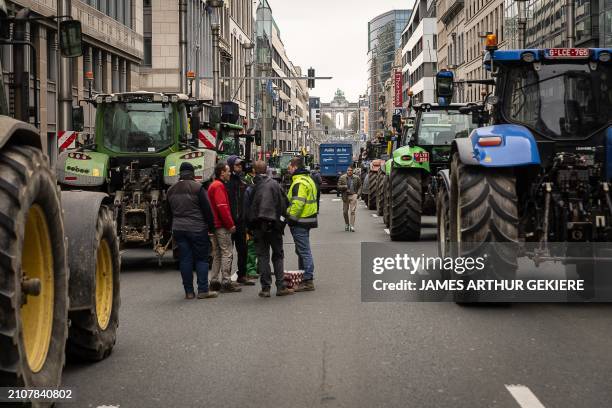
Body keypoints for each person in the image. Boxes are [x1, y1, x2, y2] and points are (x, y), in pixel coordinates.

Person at [167, 162, 218, 299]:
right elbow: (207, 210)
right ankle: (203, 290)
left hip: (178, 229)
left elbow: (168, 212)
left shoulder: (171, 190)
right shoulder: (198, 188)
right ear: (192, 173)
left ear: (180, 173)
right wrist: (211, 227)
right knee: (201, 259)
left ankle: (188, 292)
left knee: (185, 260)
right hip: (197, 228)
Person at [246, 161, 293, 297]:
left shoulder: (251, 187)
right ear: (266, 170)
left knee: (262, 256)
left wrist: (249, 228)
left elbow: (246, 209)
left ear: (254, 171)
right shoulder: (275, 185)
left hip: (257, 227)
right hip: (274, 226)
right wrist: (282, 223)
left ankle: (265, 288)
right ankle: (280, 286)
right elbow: (284, 206)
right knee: (278, 255)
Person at [208, 162, 242, 293]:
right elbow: (222, 207)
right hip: (221, 225)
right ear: (221, 172)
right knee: (227, 252)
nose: (229, 173)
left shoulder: (213, 185)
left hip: (214, 225)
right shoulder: (219, 186)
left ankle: (214, 281)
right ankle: (226, 281)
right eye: (227, 171)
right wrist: (230, 224)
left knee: (217, 253)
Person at [286, 157, 318, 292]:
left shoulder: (299, 183)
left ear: (294, 167)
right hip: (309, 218)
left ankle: (308, 279)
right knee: (301, 250)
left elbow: (298, 203)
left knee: (304, 251)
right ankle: (303, 276)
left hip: (300, 220)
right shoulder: (309, 180)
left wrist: (291, 218)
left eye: (289, 167)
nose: (288, 170)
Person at [226, 155, 255, 286]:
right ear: (231, 166)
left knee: (243, 249)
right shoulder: (226, 182)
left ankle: (242, 275)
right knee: (228, 251)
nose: (239, 167)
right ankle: (226, 277)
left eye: (240, 165)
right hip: (229, 222)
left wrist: (248, 220)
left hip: (242, 222)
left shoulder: (243, 182)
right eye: (237, 165)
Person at [243, 163, 259, 279]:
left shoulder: (250, 186)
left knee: (256, 246)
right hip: (256, 220)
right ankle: (252, 268)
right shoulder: (250, 186)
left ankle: (255, 268)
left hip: (257, 220)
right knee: (253, 246)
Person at [338, 166, 362, 232]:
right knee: (345, 212)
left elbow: (360, 186)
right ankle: (347, 224)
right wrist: (344, 187)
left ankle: (352, 226)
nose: (349, 171)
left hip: (353, 195)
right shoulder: (342, 177)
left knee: (352, 211)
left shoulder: (356, 178)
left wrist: (358, 194)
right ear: (346, 171)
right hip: (345, 196)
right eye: (348, 170)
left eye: (351, 170)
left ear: (352, 171)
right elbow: (338, 186)